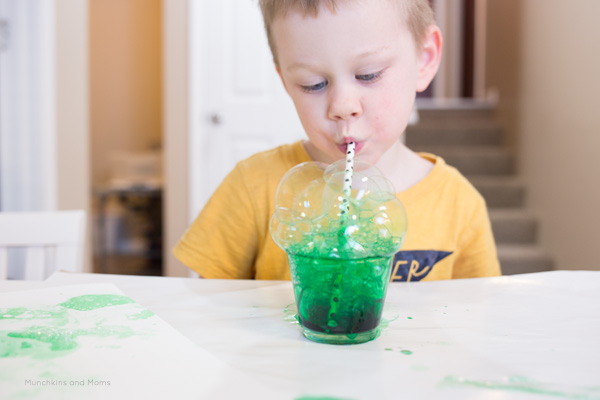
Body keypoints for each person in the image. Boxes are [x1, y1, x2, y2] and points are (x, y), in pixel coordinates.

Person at [174, 0, 501, 281]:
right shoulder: (252, 186)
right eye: (312, 84)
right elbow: (207, 313)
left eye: (369, 74)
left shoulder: (460, 204)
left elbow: (480, 324)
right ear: (285, 82)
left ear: (425, 58)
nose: (343, 106)